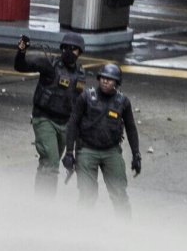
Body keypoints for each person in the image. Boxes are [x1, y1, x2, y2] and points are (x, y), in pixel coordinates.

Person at [62, 64, 141, 215]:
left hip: (111, 151)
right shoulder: (86, 97)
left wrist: (136, 155)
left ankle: (125, 230)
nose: (105, 82)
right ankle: (81, 228)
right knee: (87, 195)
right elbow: (73, 124)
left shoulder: (123, 102)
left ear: (116, 83)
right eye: (103, 78)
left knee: (120, 194)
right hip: (87, 149)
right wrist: (69, 152)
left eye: (110, 80)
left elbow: (131, 128)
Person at [15, 32, 86, 196]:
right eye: (66, 48)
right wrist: (22, 51)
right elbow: (20, 66)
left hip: (65, 124)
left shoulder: (81, 74)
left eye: (74, 49)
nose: (69, 51)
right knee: (50, 162)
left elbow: (80, 104)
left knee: (49, 163)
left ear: (80, 52)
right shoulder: (49, 65)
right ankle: (44, 205)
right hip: (44, 119)